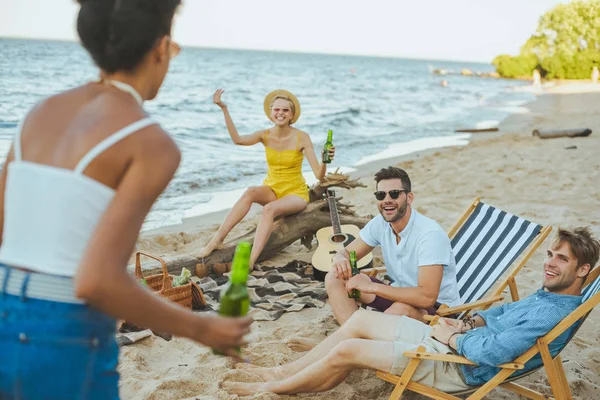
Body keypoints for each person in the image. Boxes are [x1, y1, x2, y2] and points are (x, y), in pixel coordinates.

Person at [0, 1, 251, 399]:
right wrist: (203, 328)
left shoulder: (38, 113)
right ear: (160, 48)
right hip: (65, 332)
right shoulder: (150, 143)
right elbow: (96, 280)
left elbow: (5, 234)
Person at [221, 227, 600, 396]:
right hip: (452, 344)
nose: (549, 263)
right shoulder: (549, 296)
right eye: (550, 254)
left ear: (582, 271)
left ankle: (270, 387)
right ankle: (279, 372)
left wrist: (452, 334)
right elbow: (501, 314)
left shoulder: (550, 314)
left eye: (560, 259)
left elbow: (493, 353)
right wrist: (470, 320)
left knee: (347, 351)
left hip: (461, 368)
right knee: (361, 320)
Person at [198, 89, 335, 269]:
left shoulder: (302, 137)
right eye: (277, 110)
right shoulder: (265, 135)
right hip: (272, 189)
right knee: (250, 192)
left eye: (285, 110)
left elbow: (319, 175)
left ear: (292, 115)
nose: (280, 113)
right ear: (270, 113)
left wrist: (326, 160)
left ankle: (251, 259)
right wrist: (224, 109)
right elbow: (238, 140)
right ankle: (217, 240)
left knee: (269, 209)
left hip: (295, 194)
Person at [325, 166, 460, 325]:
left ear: (409, 198)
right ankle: (350, 331)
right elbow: (347, 252)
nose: (387, 200)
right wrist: (340, 258)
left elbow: (427, 298)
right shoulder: (380, 224)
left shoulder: (429, 235)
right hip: (398, 295)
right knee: (334, 277)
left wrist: (373, 287)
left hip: (438, 312)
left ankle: (355, 338)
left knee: (399, 310)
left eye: (394, 194)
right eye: (381, 195)